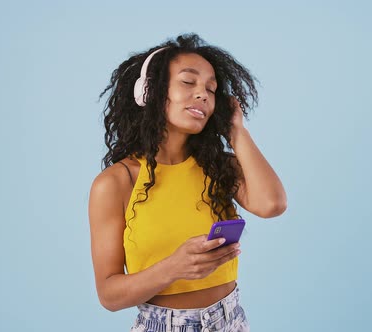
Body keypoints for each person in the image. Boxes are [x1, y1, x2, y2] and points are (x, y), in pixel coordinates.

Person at [88, 33, 287, 331]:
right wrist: (174, 267)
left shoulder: (219, 167)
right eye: (187, 82)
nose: (203, 94)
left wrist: (235, 130)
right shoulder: (116, 182)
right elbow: (109, 295)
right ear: (150, 91)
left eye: (211, 89)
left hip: (230, 320)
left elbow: (272, 204)